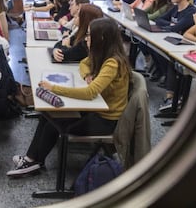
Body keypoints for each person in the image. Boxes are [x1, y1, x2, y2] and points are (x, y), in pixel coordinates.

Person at [7, 18, 131, 176]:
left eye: (89, 35)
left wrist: (54, 88)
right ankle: (33, 159)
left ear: (101, 39)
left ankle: (33, 162)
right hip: (96, 111)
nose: (86, 38)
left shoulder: (112, 63)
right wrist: (87, 75)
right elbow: (84, 64)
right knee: (48, 115)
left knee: (54, 123)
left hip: (105, 121)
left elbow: (89, 92)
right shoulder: (103, 54)